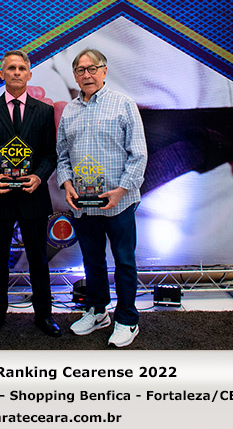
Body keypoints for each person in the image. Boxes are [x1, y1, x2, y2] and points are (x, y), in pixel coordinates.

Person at [56, 48, 148, 347]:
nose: (87, 75)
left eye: (92, 68)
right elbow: (62, 156)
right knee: (92, 260)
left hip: (118, 202)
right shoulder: (69, 111)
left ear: (104, 71)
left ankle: (127, 319)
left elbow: (139, 154)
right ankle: (97, 311)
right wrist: (66, 184)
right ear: (75, 75)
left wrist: (121, 190)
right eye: (81, 70)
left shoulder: (123, 104)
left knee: (124, 261)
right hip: (84, 204)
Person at [0, 50, 61, 338]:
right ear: (1, 74)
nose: (16, 72)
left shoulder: (44, 111)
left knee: (38, 259)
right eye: (11, 68)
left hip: (33, 196)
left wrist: (39, 176)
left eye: (21, 68)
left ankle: (44, 315)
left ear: (29, 74)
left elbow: (50, 154)